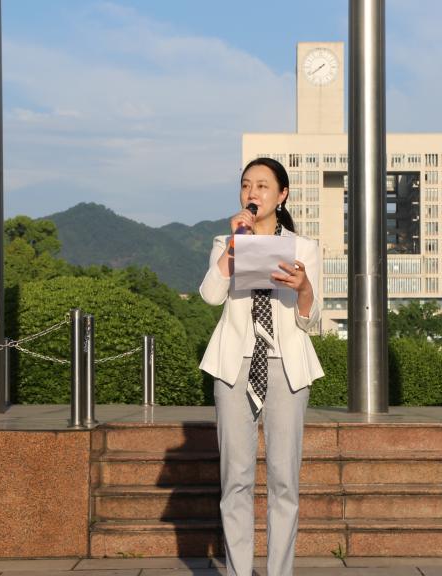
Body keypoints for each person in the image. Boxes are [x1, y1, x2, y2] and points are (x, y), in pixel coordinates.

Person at [199, 157, 324, 576]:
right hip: (234, 366)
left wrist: (303, 288)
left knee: (284, 480)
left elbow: (310, 319)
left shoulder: (303, 248)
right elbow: (210, 295)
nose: (252, 193)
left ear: (282, 194)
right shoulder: (226, 241)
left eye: (263, 186)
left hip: (286, 366)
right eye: (246, 185)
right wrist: (235, 245)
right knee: (235, 479)